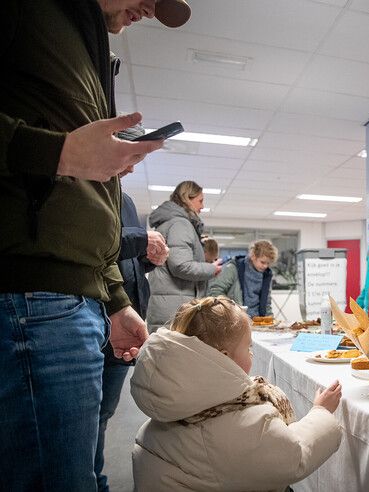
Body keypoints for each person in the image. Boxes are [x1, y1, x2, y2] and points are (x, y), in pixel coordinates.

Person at [0, 0, 190, 489]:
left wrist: (115, 298)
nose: (149, 9)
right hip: (33, 295)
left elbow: (85, 202)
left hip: (72, 298)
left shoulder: (84, 37)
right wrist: (57, 152)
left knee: (79, 470)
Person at [130, 296, 343, 490]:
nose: (251, 353)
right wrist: (321, 412)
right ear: (223, 357)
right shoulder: (243, 423)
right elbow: (294, 456)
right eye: (248, 347)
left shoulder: (174, 398)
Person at [95, 173, 169, 490]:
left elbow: (123, 260)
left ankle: (95, 477)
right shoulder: (86, 185)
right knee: (85, 416)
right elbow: (94, 242)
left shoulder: (124, 198)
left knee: (103, 412)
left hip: (124, 315)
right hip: (95, 313)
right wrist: (140, 241)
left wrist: (147, 259)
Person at [147, 180, 222, 332]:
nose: (202, 206)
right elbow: (181, 266)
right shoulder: (180, 224)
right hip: (174, 308)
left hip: (170, 304)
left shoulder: (171, 223)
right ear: (188, 198)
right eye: (200, 201)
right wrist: (211, 269)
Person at [208, 239, 277, 318]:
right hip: (235, 319)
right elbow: (215, 291)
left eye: (268, 263)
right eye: (263, 262)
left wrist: (271, 319)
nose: (265, 266)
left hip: (257, 322)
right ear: (253, 256)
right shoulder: (233, 268)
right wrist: (230, 310)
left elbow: (267, 303)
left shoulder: (266, 275)